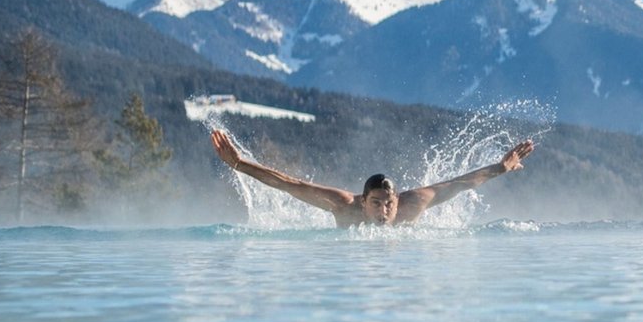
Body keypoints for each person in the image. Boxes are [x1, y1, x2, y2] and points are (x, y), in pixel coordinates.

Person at [209, 129, 535, 226]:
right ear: (363, 202)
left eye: (388, 204)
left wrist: (500, 168)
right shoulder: (343, 207)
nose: (384, 211)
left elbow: (460, 183)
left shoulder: (412, 204)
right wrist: (239, 163)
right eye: (376, 204)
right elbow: (289, 183)